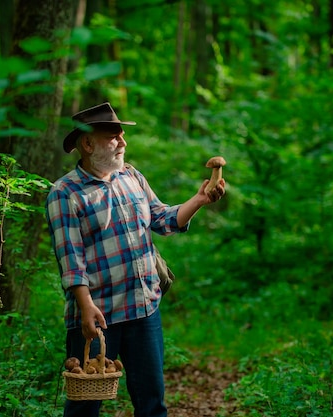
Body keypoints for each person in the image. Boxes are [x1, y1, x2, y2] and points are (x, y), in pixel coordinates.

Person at [45, 102, 225, 417]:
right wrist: (85, 307)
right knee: (84, 408)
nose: (124, 142)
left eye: (123, 135)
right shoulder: (65, 193)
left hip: (143, 310)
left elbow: (163, 219)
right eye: (114, 136)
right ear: (87, 144)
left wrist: (199, 199)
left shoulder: (132, 176)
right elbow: (70, 259)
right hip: (97, 318)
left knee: (153, 404)